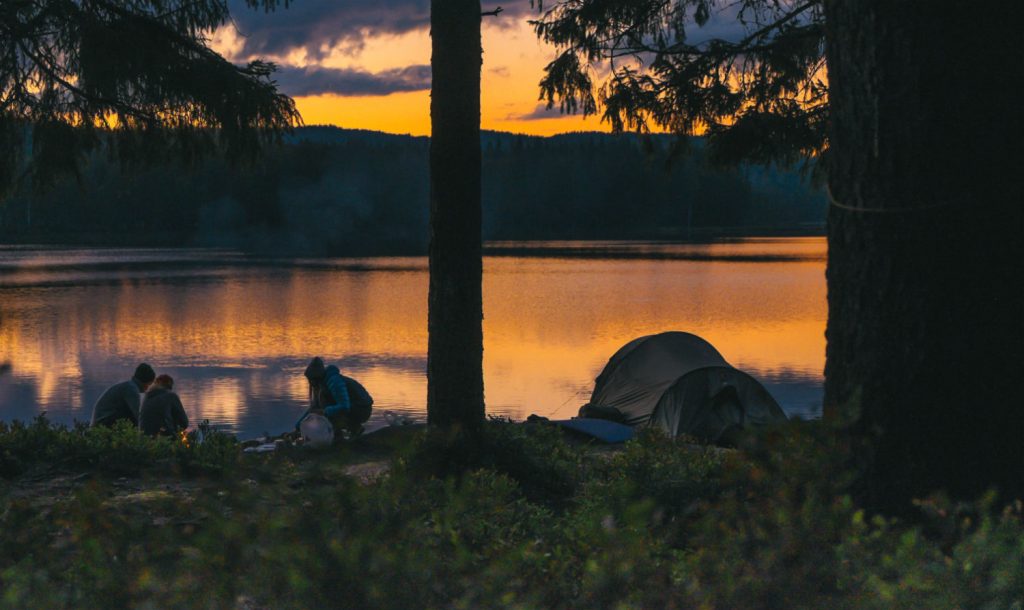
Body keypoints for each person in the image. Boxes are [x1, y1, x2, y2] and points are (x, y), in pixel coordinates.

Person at [296, 357, 373, 438]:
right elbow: (314, 408)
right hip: (354, 407)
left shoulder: (334, 382)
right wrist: (298, 427)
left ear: (316, 378)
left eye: (311, 380)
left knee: (326, 410)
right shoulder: (322, 385)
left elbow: (344, 406)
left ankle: (352, 428)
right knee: (322, 407)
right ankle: (343, 432)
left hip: (362, 409)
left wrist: (324, 412)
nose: (311, 383)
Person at [90, 363, 156, 428]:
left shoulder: (129, 386)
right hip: (103, 423)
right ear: (144, 381)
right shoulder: (131, 389)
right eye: (149, 384)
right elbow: (139, 415)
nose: (148, 388)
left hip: (103, 421)